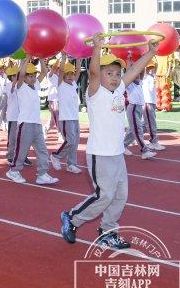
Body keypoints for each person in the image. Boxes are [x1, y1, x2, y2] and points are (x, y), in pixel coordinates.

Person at [60, 35, 159, 249]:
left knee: (120, 196)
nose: (115, 77)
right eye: (109, 73)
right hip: (100, 154)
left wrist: (150, 52)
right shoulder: (95, 92)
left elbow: (133, 71)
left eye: (117, 73)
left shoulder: (120, 89)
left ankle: (107, 231)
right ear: (100, 76)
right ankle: (72, 217)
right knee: (104, 196)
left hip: (116, 154)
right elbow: (94, 71)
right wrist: (97, 48)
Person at [6, 57, 58, 185]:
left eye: (34, 75)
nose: (33, 78)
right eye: (30, 76)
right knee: (22, 150)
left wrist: (40, 58)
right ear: (23, 77)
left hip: (37, 123)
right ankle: (14, 171)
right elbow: (21, 73)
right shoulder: (20, 86)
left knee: (42, 150)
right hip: (25, 123)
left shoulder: (35, 86)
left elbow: (44, 72)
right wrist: (26, 59)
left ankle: (42, 174)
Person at [50, 58, 82, 173]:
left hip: (75, 118)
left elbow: (78, 71)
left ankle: (71, 164)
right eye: (67, 74)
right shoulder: (60, 84)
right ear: (62, 75)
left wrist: (79, 59)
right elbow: (60, 70)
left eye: (71, 74)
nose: (70, 76)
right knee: (70, 140)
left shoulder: (73, 84)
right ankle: (56, 156)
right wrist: (63, 58)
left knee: (75, 141)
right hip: (66, 118)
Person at [123, 66, 156, 160]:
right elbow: (131, 72)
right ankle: (144, 151)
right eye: (135, 74)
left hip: (139, 108)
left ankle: (122, 146)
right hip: (132, 108)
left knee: (132, 130)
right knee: (138, 130)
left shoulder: (139, 83)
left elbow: (141, 72)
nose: (137, 76)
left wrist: (141, 63)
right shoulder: (128, 84)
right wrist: (130, 64)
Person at [142, 62, 165, 151]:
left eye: (152, 68)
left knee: (143, 125)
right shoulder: (145, 77)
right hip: (147, 102)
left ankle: (125, 142)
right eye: (149, 68)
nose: (151, 70)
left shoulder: (152, 77)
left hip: (151, 102)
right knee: (151, 123)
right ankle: (153, 142)